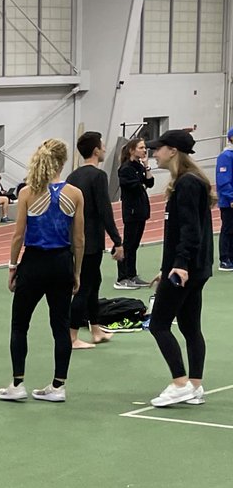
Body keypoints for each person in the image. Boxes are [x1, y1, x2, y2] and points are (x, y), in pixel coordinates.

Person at [0, 139, 84, 403]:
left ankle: (17, 383)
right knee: (60, 326)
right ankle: (58, 386)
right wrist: (76, 272)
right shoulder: (75, 194)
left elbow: (17, 235)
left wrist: (13, 267)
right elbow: (79, 239)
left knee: (20, 324)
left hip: (33, 264)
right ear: (64, 161)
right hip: (61, 264)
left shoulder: (27, 192)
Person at [144, 129, 215, 407]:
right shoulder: (189, 182)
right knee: (189, 326)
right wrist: (169, 266)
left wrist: (180, 266)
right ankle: (195, 386)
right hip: (193, 268)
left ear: (172, 151)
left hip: (188, 269)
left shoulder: (187, 184)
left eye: (158, 148)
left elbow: (190, 230)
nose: (154, 153)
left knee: (159, 324)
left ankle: (179, 382)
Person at [65, 132, 124, 349]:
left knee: (94, 283)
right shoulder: (98, 176)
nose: (105, 149)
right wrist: (117, 241)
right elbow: (104, 211)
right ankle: (71, 337)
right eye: (102, 146)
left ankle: (96, 329)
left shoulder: (73, 176)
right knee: (84, 287)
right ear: (96, 150)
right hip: (90, 242)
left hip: (75, 239)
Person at [115, 138, 154, 289]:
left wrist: (147, 167)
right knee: (129, 244)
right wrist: (142, 182)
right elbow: (136, 186)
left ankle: (132, 274)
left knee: (134, 245)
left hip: (141, 210)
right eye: (141, 148)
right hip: (131, 211)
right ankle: (122, 277)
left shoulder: (139, 166)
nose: (145, 150)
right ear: (132, 150)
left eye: (145, 148)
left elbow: (149, 183)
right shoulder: (125, 168)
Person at [217, 128, 232, 272]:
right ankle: (225, 259)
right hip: (228, 201)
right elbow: (223, 180)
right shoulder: (226, 156)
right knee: (228, 228)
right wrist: (231, 197)